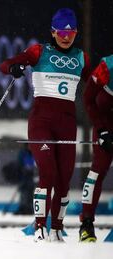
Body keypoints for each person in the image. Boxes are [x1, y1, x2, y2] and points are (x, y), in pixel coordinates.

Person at [0, 8, 91, 242]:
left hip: (68, 124)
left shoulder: (82, 57)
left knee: (64, 179)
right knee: (48, 173)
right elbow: (6, 64)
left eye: (71, 32)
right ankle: (40, 226)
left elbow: (98, 86)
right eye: (61, 31)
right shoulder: (39, 51)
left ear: (76, 33)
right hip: (41, 122)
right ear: (53, 31)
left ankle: (57, 228)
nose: (66, 36)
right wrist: (14, 67)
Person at [79, 54, 113, 242]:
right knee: (98, 170)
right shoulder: (107, 67)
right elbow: (88, 99)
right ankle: (86, 223)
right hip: (105, 119)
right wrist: (101, 130)